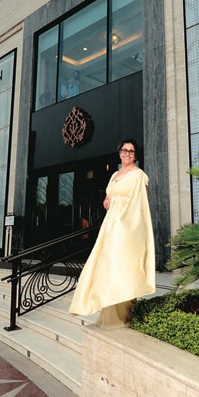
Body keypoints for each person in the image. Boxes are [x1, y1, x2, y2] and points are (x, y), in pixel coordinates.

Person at [69, 139, 155, 328]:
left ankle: (122, 315)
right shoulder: (115, 174)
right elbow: (109, 196)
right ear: (119, 153)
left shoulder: (139, 175)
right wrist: (107, 201)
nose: (128, 153)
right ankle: (109, 313)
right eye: (125, 150)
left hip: (126, 227)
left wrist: (126, 221)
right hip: (110, 225)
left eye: (131, 151)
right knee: (106, 265)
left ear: (135, 155)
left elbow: (141, 204)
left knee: (121, 264)